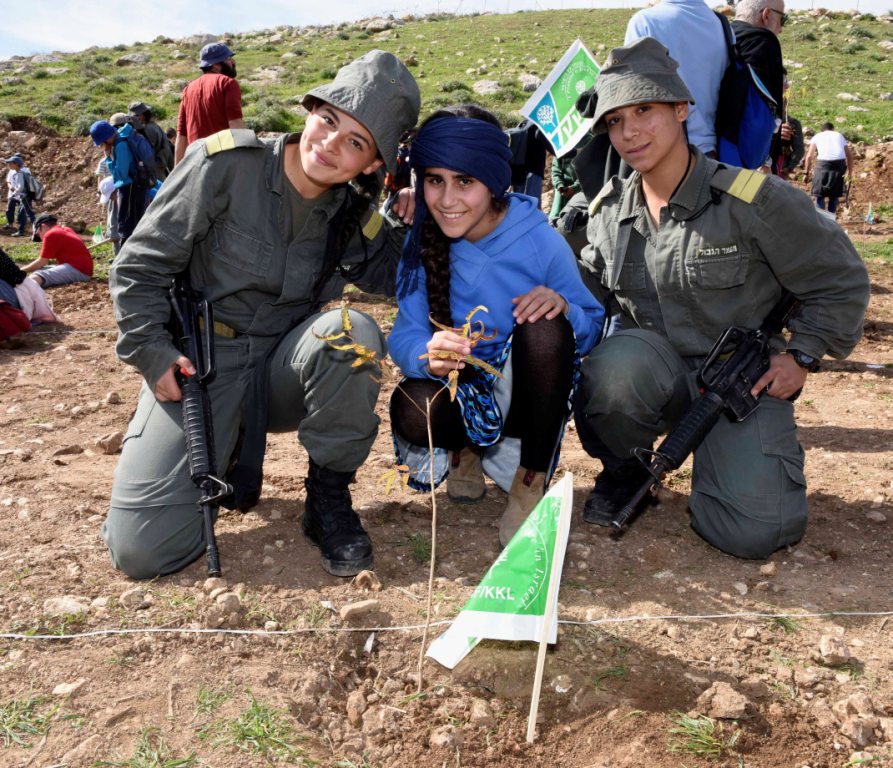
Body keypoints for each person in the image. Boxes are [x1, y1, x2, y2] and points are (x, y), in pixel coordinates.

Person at [102, 50, 421, 580]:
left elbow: (411, 279)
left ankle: (327, 498)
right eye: (329, 121)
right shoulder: (223, 166)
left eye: (356, 143)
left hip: (282, 371)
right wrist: (153, 353)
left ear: (372, 164)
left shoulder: (351, 216)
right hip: (200, 368)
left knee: (351, 331)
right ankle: (220, 451)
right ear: (311, 110)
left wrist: (422, 211)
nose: (330, 145)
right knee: (142, 553)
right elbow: (138, 267)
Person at [574, 37, 869, 560]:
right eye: (615, 121)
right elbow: (579, 298)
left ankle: (722, 463)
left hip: (739, 382)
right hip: (652, 376)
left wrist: (801, 354)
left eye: (644, 110)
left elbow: (840, 278)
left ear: (681, 108)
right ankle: (625, 468)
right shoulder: (606, 213)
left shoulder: (754, 201)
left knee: (756, 531)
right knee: (613, 368)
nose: (630, 131)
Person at [388, 105, 604, 547]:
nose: (447, 200)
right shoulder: (423, 238)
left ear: (493, 180)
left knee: (545, 327)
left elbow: (592, 325)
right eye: (435, 180)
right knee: (412, 406)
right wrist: (426, 353)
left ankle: (530, 479)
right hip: (463, 388)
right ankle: (464, 451)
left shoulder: (539, 240)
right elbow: (404, 333)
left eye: (464, 181)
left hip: (528, 393)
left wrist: (563, 305)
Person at [624, 0, 728, 157]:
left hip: (668, 155)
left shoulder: (644, 22)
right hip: (718, 152)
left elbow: (629, 95)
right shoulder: (722, 25)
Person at [733, 0, 786, 173]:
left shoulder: (721, 36)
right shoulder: (763, 42)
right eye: (782, 20)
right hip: (745, 161)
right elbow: (762, 110)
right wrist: (766, 161)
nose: (781, 29)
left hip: (708, 150)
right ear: (767, 15)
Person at [174, 42, 246, 166]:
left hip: (196, 164)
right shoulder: (228, 83)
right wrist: (245, 160)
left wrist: (176, 173)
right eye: (228, 59)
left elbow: (181, 136)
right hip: (224, 162)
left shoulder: (188, 90)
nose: (233, 62)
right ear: (216, 65)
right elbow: (235, 124)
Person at [89, 119, 148, 248]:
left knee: (126, 226)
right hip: (136, 187)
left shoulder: (121, 145)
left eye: (101, 143)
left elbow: (120, 175)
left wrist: (108, 158)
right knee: (134, 225)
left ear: (105, 139)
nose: (101, 146)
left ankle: (126, 260)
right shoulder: (123, 137)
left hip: (130, 188)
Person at [21, 213, 93, 287]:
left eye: (38, 234)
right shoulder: (66, 229)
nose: (41, 238)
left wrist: (20, 271)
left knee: (38, 275)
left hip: (79, 270)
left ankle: (22, 291)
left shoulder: (51, 234)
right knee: (38, 270)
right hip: (82, 269)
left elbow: (42, 262)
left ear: (43, 226)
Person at [804, 122, 854, 215]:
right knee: (834, 196)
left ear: (822, 130)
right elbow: (849, 156)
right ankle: (831, 223)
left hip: (822, 165)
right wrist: (850, 174)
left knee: (819, 195)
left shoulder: (817, 136)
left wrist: (806, 173)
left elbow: (809, 157)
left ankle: (821, 223)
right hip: (839, 165)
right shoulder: (839, 135)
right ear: (833, 129)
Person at [129, 101, 174, 180]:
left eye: (136, 116)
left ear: (142, 116)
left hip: (155, 168)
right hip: (159, 165)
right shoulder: (152, 126)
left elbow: (147, 151)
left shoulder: (149, 129)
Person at [4, 155, 35, 237]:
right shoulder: (18, 172)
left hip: (25, 196)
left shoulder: (21, 173)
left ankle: (36, 233)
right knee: (23, 214)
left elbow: (20, 187)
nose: (9, 165)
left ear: (16, 164)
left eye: (10, 163)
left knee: (30, 215)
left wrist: (14, 194)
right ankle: (22, 231)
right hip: (24, 196)